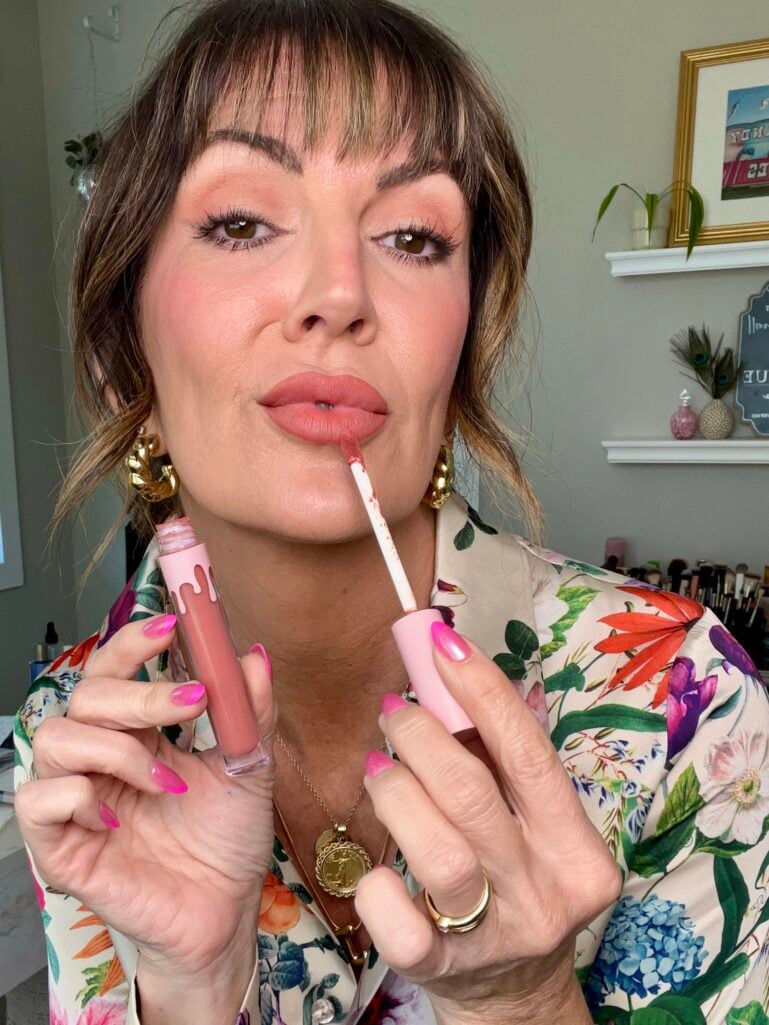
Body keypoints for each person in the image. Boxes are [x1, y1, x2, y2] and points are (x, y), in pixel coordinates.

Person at [12, 1, 769, 1023]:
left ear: (457, 357)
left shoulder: (685, 700)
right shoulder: (79, 741)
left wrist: (524, 999)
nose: (338, 291)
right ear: (119, 355)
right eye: (241, 222)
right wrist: (187, 989)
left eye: (412, 235)